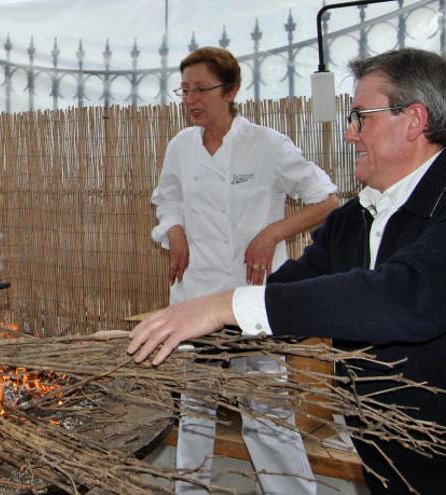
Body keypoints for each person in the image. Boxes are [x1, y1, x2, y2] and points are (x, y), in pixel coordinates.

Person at [129, 47, 446, 495]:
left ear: (413, 120)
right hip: (389, 456)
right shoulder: (355, 220)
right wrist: (176, 333)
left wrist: (227, 302)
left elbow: (402, 296)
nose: (350, 135)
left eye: (360, 118)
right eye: (186, 90)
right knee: (195, 412)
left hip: (434, 452)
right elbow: (298, 285)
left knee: (266, 417)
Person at [149, 47, 339, 494]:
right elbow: (167, 199)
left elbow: (326, 200)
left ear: (230, 91)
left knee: (265, 407)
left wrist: (271, 234)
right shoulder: (181, 146)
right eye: (185, 90)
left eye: (202, 89)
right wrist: (174, 232)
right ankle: (190, 489)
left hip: (248, 297)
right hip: (194, 295)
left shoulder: (266, 144)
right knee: (195, 406)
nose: (191, 99)